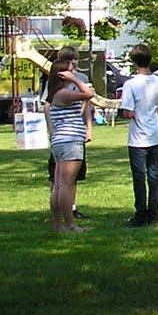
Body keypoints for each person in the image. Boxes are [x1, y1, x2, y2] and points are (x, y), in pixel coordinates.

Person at [118, 43, 158, 227]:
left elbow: (128, 112)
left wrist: (136, 112)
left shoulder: (130, 84)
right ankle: (153, 213)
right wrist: (152, 111)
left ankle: (141, 214)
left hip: (137, 138)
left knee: (139, 177)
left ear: (134, 62)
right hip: (154, 135)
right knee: (154, 175)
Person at [44, 46, 94, 234]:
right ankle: (71, 225)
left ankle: (58, 225)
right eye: (70, 70)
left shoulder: (56, 93)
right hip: (70, 142)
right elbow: (89, 95)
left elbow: (82, 105)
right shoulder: (63, 93)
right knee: (66, 185)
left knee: (58, 185)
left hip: (60, 141)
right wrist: (75, 80)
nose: (74, 70)